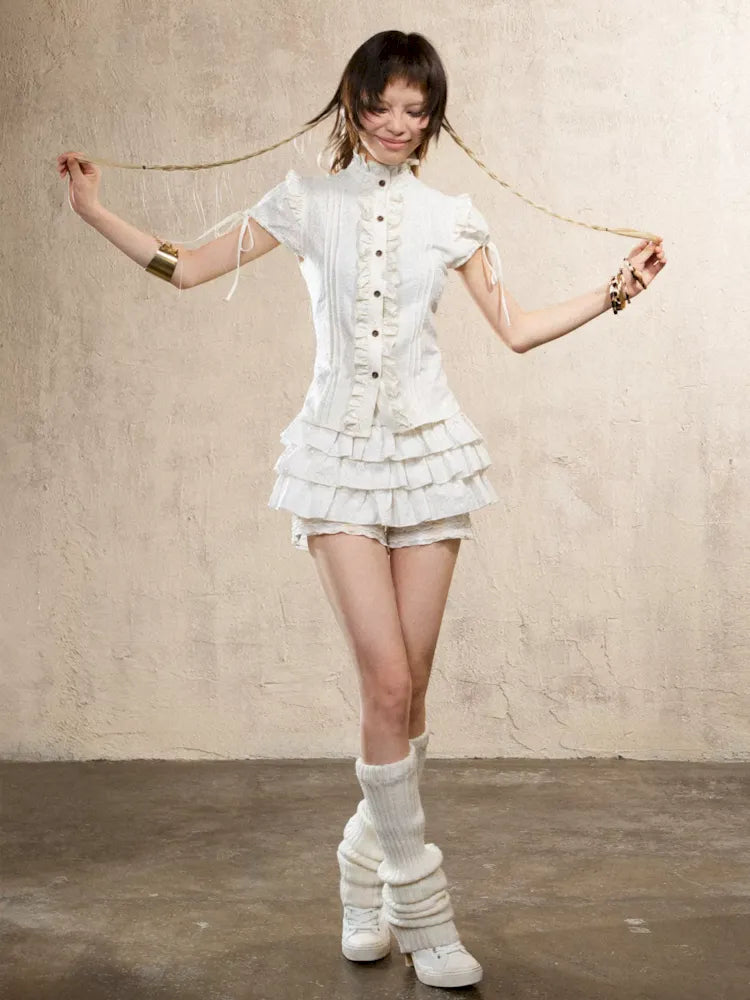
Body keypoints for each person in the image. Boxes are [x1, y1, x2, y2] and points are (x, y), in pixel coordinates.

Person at [57, 28, 666, 991]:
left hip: (430, 460)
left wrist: (618, 290)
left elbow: (514, 331)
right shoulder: (304, 202)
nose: (395, 123)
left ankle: (358, 870)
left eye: (415, 110)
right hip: (336, 462)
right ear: (353, 102)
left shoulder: (452, 218)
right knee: (384, 683)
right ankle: (423, 914)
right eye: (381, 105)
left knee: (411, 694)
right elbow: (189, 266)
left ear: (433, 118)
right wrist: (95, 211)